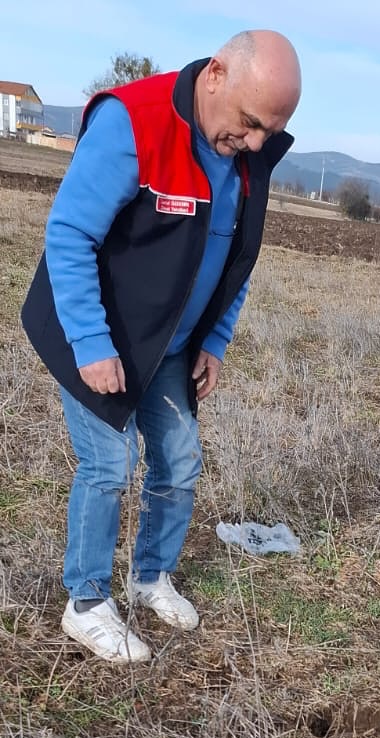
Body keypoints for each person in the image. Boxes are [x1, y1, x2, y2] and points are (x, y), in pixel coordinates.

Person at [21, 30, 301, 663]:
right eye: (251, 123)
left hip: (169, 347)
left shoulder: (249, 156)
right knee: (108, 466)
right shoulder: (135, 123)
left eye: (270, 130)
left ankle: (150, 577)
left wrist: (216, 340)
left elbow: (239, 256)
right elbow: (68, 236)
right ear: (216, 76)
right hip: (95, 335)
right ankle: (86, 602)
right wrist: (91, 345)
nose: (255, 143)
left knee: (178, 462)